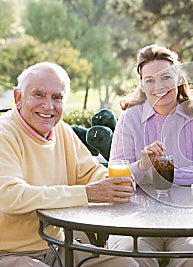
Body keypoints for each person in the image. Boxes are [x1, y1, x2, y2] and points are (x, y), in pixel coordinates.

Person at [0, 62, 138, 267]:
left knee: (126, 265)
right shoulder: (5, 134)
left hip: (60, 247)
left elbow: (91, 173)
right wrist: (87, 193)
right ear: (18, 97)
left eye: (57, 97)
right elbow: (10, 197)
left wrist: (112, 183)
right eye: (38, 95)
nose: (48, 106)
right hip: (8, 253)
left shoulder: (62, 130)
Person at [107, 44, 193, 267]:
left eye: (165, 77)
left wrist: (162, 175)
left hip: (190, 220)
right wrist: (142, 166)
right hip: (135, 220)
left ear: (179, 78)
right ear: (141, 83)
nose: (158, 86)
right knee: (130, 259)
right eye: (149, 80)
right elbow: (116, 176)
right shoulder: (130, 117)